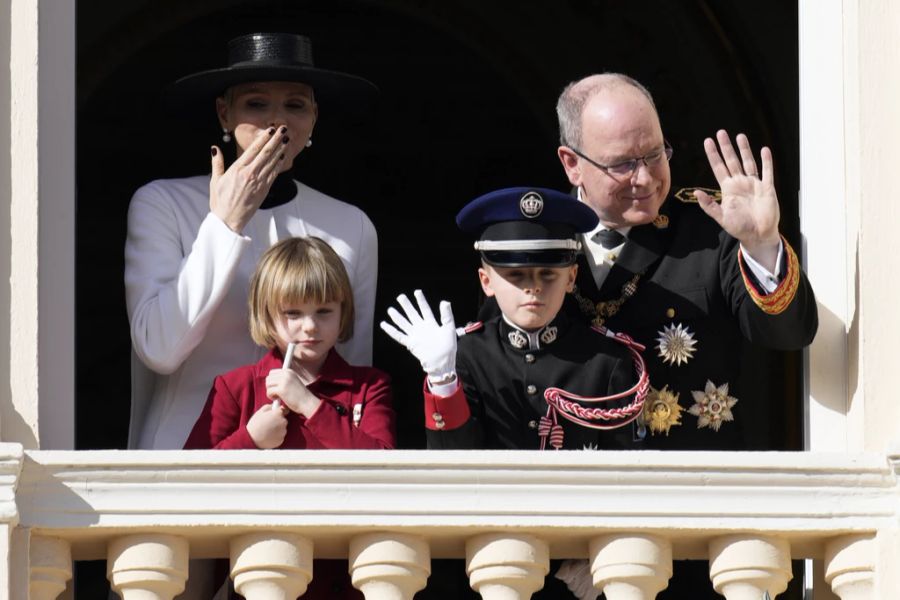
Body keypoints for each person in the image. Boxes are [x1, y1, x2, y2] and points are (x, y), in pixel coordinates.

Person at [550, 73, 818, 598]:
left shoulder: (713, 229)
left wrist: (763, 246)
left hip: (694, 543)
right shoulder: (531, 238)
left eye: (655, 154)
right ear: (571, 163)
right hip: (564, 545)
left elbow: (790, 333)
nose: (646, 178)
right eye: (623, 163)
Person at [382, 186, 649, 599]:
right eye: (517, 276)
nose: (533, 289)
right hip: (485, 566)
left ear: (572, 276)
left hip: (577, 575)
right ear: (486, 281)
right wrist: (442, 379)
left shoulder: (606, 360)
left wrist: (594, 553)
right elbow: (453, 469)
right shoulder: (464, 355)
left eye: (548, 274)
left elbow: (628, 479)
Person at [125, 32, 379, 451]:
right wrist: (224, 224)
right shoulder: (162, 203)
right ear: (224, 114)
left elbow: (353, 372)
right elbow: (160, 349)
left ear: (314, 117)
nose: (277, 121)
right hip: (189, 451)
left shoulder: (350, 224)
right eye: (256, 103)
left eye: (295, 105)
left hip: (310, 458)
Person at [185, 236, 395, 600]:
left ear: (343, 312)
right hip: (261, 572)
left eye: (324, 311)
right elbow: (191, 477)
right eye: (293, 313)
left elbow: (385, 466)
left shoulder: (369, 385)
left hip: (346, 578)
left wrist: (310, 405)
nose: (310, 327)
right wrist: (250, 440)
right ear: (266, 314)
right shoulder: (236, 387)